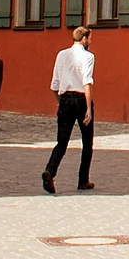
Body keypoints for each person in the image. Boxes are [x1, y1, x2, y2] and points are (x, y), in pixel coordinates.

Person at [42, 25, 95, 193]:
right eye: (90, 39)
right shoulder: (88, 56)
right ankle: (83, 179)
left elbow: (54, 85)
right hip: (80, 99)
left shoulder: (61, 54)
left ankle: (50, 171)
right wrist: (88, 107)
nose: (91, 42)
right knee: (87, 142)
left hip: (65, 99)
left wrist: (60, 102)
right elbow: (87, 81)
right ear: (84, 39)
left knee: (62, 142)